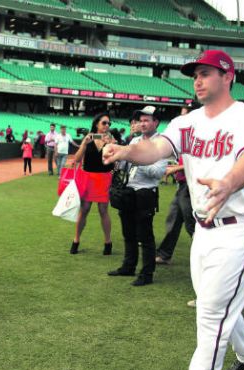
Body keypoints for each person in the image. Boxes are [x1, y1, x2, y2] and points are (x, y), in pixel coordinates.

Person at [102, 50, 244, 370]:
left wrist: (228, 182)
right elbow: (156, 148)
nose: (197, 80)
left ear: (227, 76)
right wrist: (127, 151)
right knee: (216, 300)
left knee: (212, 313)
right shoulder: (188, 121)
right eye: (194, 74)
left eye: (206, 73)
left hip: (238, 229)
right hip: (205, 229)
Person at [107, 106, 169, 286]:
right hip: (128, 192)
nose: (142, 123)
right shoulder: (134, 140)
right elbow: (125, 165)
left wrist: (137, 159)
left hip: (145, 193)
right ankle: (128, 266)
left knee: (145, 237)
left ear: (156, 122)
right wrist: (118, 160)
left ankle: (147, 274)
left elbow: (158, 172)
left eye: (147, 120)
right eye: (140, 120)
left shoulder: (161, 144)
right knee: (128, 233)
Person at [155, 105, 197, 265]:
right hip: (182, 185)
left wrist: (174, 168)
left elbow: (196, 162)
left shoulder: (198, 137)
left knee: (191, 223)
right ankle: (164, 254)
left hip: (190, 186)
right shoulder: (185, 136)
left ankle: (208, 254)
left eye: (184, 115)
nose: (182, 118)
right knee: (174, 219)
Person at [69, 113, 115, 255]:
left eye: (109, 124)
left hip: (105, 178)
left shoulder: (111, 139)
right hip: (88, 178)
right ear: (96, 124)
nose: (107, 126)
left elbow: (115, 158)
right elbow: (77, 159)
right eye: (104, 123)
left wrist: (112, 143)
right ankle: (76, 240)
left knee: (103, 210)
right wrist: (84, 143)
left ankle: (108, 242)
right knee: (85, 209)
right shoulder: (88, 138)